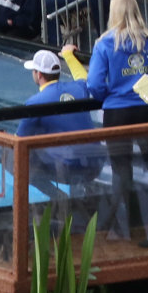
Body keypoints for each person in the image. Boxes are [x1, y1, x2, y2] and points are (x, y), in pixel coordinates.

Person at [85, 0, 148, 241]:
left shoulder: (105, 44)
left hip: (118, 112)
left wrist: (112, 93)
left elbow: (95, 85)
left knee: (122, 173)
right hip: (146, 109)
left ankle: (125, 226)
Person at [18, 49, 102, 204]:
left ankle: (58, 197)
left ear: (39, 75)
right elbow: (83, 77)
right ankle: (81, 193)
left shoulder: (34, 103)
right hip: (96, 165)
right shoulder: (78, 89)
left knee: (13, 159)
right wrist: (69, 55)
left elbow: (19, 140)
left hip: (70, 169)